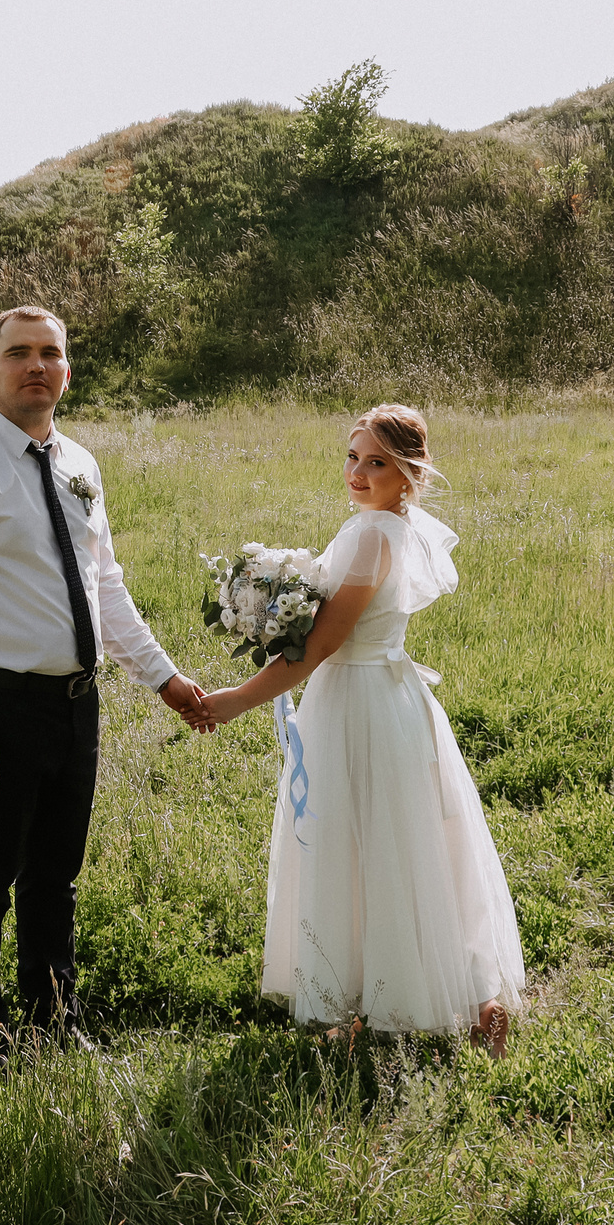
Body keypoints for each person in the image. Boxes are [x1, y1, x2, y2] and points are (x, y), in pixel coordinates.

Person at [0, 305, 206, 1054]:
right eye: (18, 354)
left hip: (76, 704)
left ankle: (54, 1021)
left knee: (55, 874)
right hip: (0, 705)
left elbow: (106, 584)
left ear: (68, 372)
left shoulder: (79, 464)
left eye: (50, 353)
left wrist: (165, 679)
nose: (35, 366)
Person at [187, 404, 524, 1055]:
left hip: (360, 703)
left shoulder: (372, 536)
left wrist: (237, 700)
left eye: (377, 463)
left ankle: (381, 1003)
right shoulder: (386, 527)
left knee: (359, 845)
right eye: (352, 457)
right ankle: (453, 996)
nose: (358, 473)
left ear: (409, 475)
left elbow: (321, 645)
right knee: (403, 845)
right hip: (384, 697)